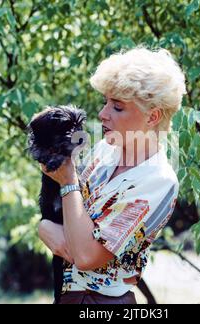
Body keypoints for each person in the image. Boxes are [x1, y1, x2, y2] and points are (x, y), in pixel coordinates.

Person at [38, 47, 186, 304]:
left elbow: (86, 256)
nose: (102, 114)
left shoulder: (159, 180)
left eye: (117, 107)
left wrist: (69, 182)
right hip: (66, 294)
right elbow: (63, 215)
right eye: (105, 102)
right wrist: (43, 226)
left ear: (152, 116)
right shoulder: (105, 150)